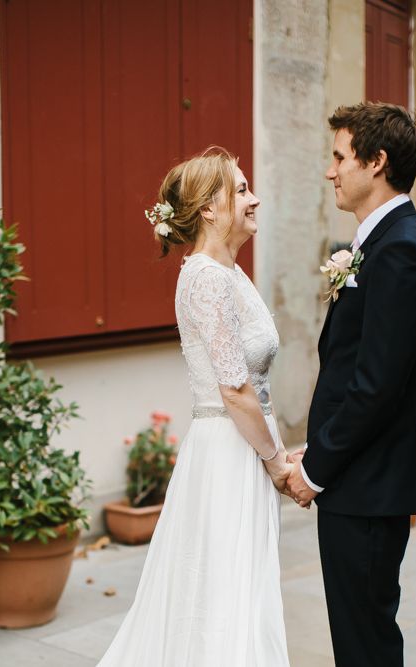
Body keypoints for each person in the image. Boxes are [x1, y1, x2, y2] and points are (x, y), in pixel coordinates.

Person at [97, 148, 292, 666]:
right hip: (228, 451)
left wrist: (274, 449)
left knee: (240, 587)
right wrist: (277, 462)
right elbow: (234, 389)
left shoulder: (230, 273)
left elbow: (254, 383)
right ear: (209, 208)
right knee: (225, 593)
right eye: (242, 189)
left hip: (247, 444)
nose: (255, 199)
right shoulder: (206, 278)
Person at [286, 103, 416, 667]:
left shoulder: (402, 250)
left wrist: (315, 469)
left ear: (376, 162)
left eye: (340, 157)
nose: (330, 170)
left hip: (370, 482)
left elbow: (377, 386)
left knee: (365, 643)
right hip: (360, 474)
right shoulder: (383, 242)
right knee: (359, 636)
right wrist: (320, 449)